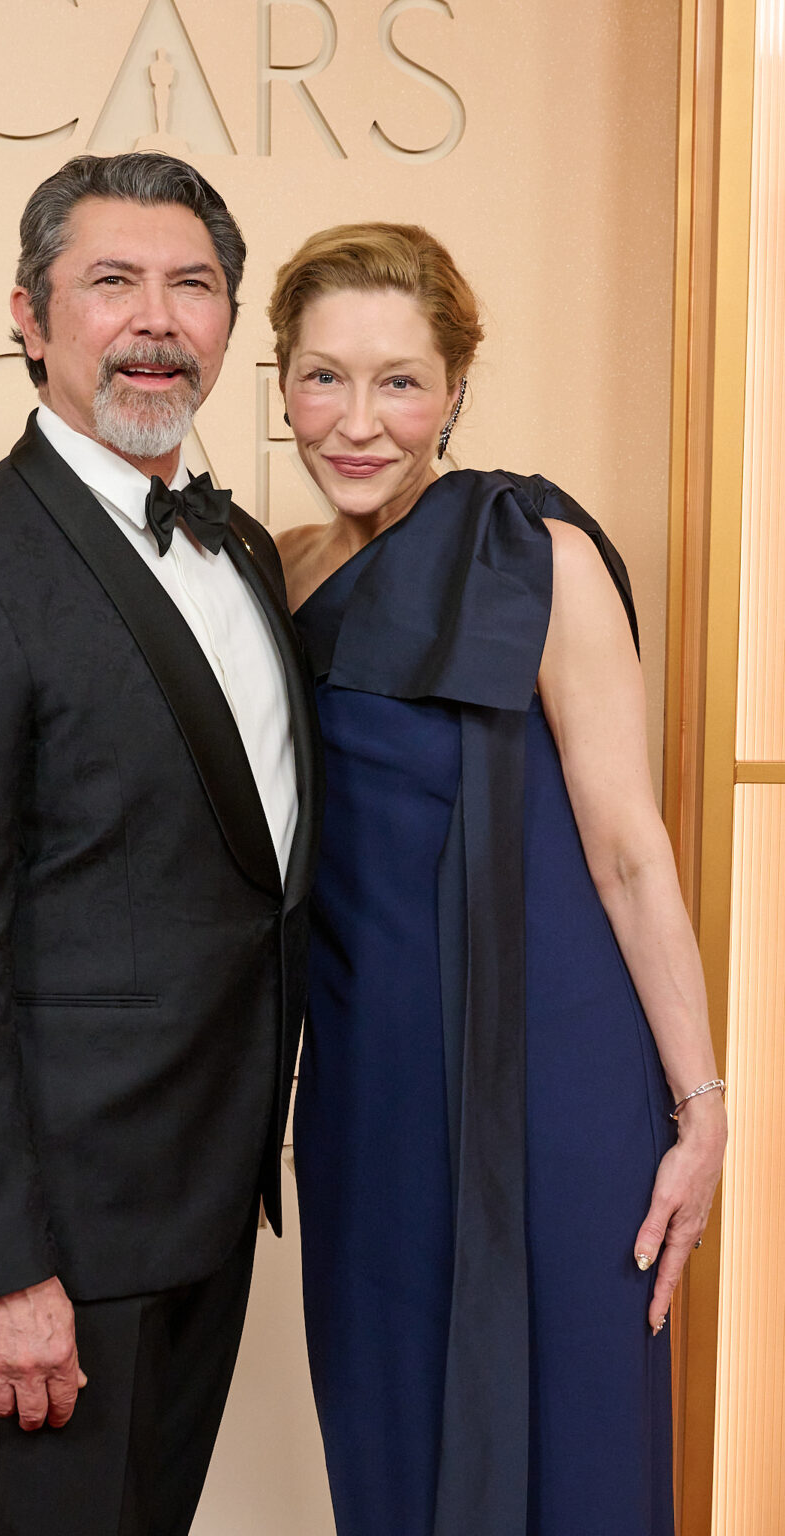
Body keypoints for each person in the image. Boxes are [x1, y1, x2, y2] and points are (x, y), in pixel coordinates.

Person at [0, 153, 320, 1536]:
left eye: (194, 285)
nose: (156, 319)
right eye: (110, 282)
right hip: (64, 1228)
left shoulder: (244, 554)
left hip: (213, 1188)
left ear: (230, 321)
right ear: (29, 317)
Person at [267, 223, 727, 1536]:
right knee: (392, 1436)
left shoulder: (538, 550)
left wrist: (700, 1105)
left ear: (457, 391)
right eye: (323, 378)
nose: (358, 421)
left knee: (574, 1428)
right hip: (371, 1076)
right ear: (282, 382)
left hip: (555, 1073)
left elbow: (630, 849)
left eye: (400, 381)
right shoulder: (282, 568)